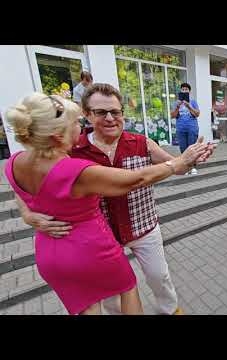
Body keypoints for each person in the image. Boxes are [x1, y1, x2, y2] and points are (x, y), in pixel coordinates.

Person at [16, 83, 214, 315]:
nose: (110, 118)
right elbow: (29, 180)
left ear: (122, 113)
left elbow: (175, 166)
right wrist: (27, 214)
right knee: (110, 294)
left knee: (159, 276)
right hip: (100, 238)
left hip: (143, 227)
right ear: (87, 115)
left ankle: (169, 310)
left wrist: (190, 160)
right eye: (101, 112)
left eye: (115, 112)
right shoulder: (69, 149)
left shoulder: (142, 143)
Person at [170, 83, 201, 175]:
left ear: (189, 91)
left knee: (192, 148)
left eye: (186, 89)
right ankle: (186, 168)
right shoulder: (176, 103)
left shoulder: (193, 102)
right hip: (181, 128)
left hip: (192, 128)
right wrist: (177, 107)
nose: (184, 91)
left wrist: (188, 106)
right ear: (180, 91)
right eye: (182, 89)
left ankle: (193, 166)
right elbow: (173, 115)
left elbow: (197, 114)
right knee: (183, 148)